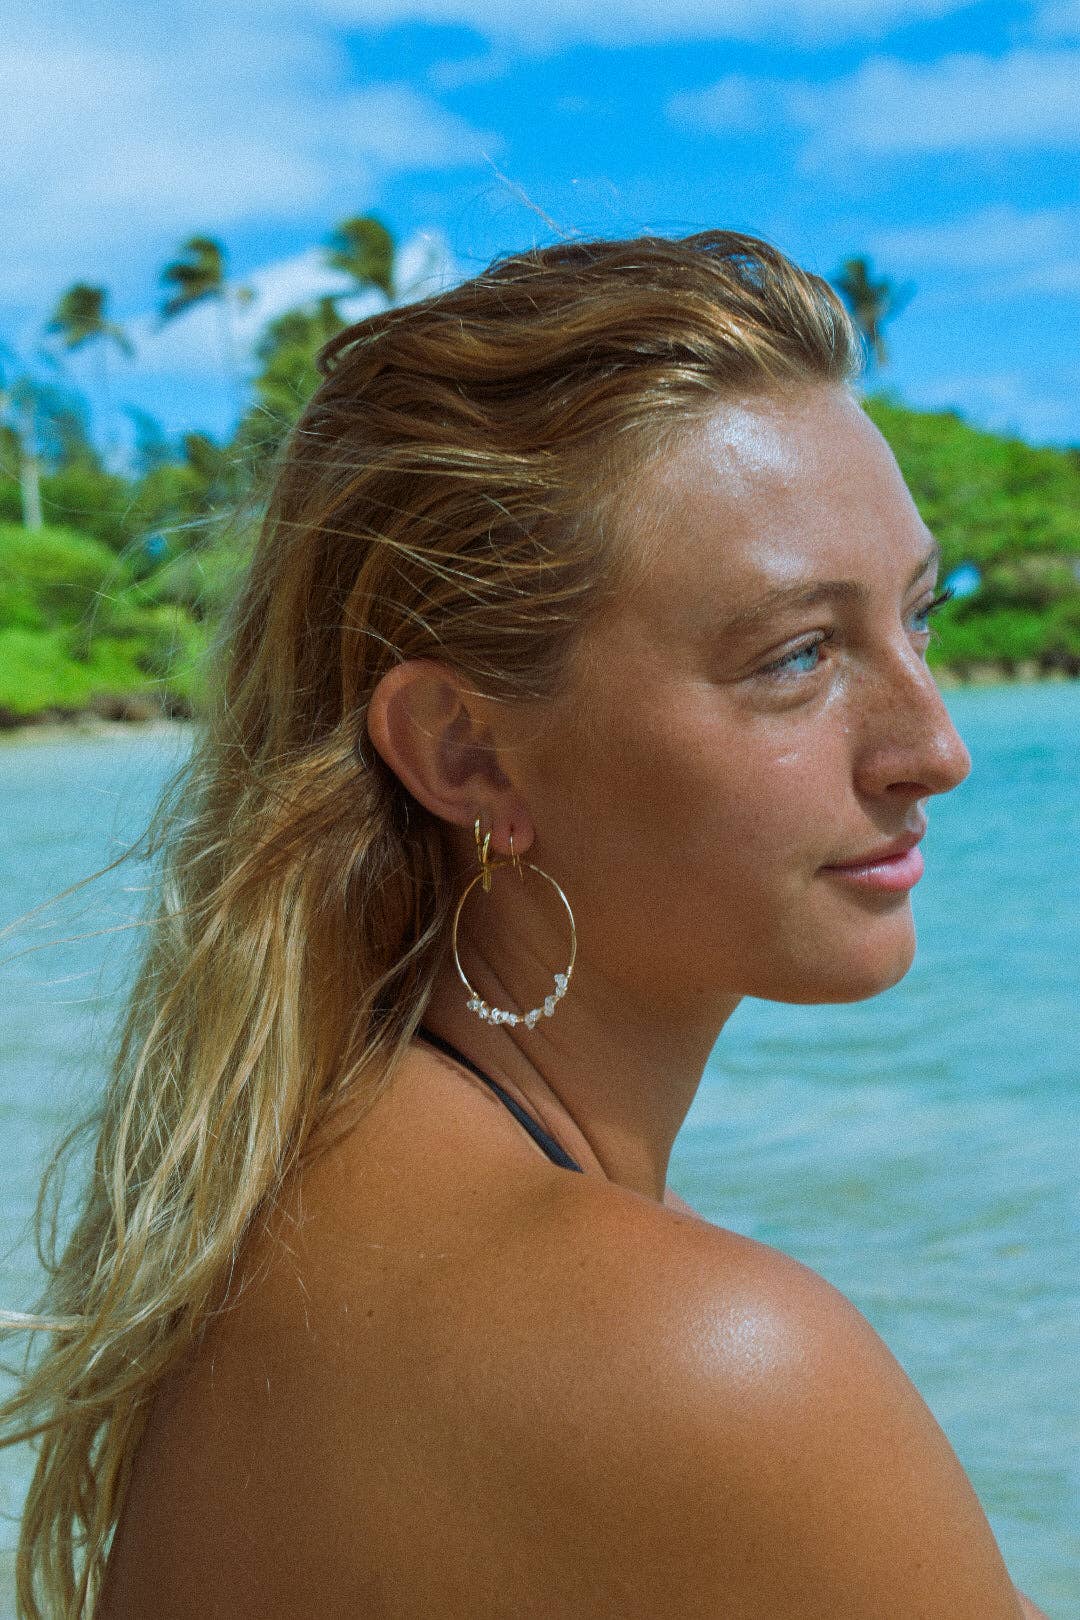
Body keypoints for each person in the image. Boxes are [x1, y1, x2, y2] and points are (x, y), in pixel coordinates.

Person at [1, 231, 1050, 1619]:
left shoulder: (302, 1215)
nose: (935, 748)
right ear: (466, 752)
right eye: (796, 655)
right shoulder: (698, 1358)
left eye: (916, 619)